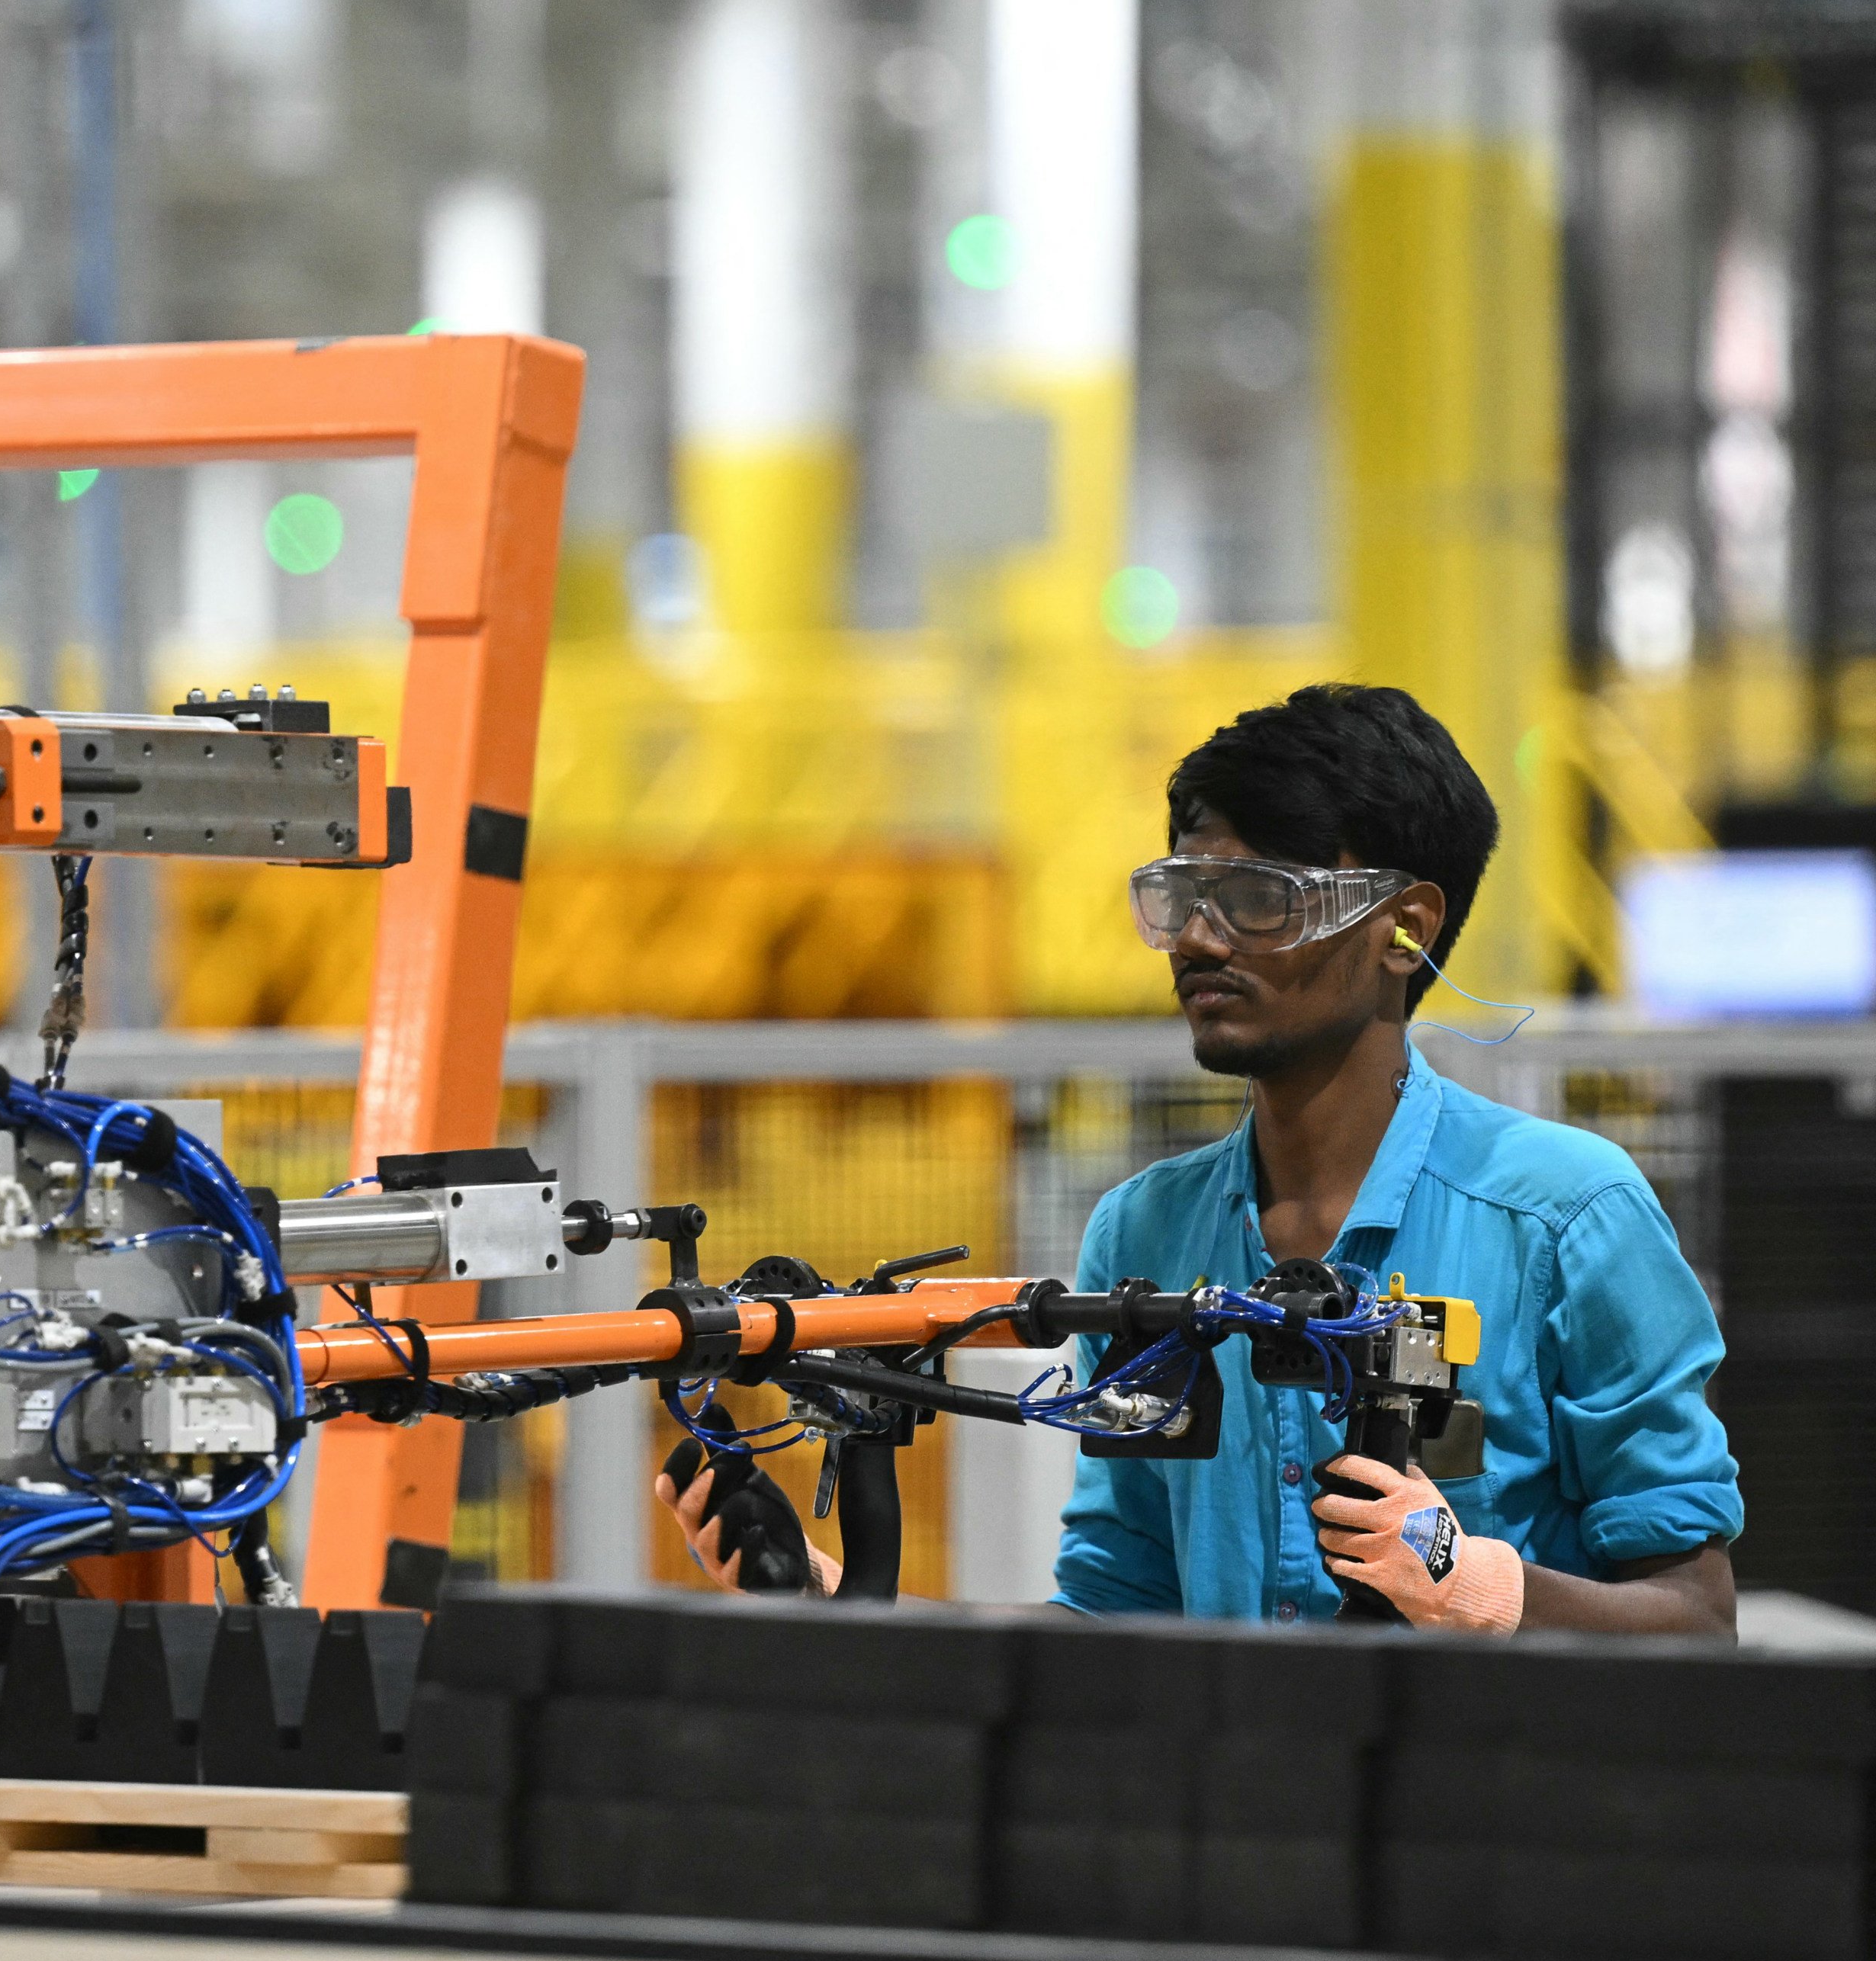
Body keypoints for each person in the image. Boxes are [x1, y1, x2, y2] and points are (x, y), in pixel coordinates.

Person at [663, 683, 1740, 1634]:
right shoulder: (1145, 1235)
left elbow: (1695, 1622)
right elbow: (1117, 1613)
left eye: (1260, 899)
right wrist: (835, 1596)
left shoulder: (1564, 1216)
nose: (1200, 938)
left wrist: (1484, 1589)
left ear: (1404, 929)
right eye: (1183, 896)